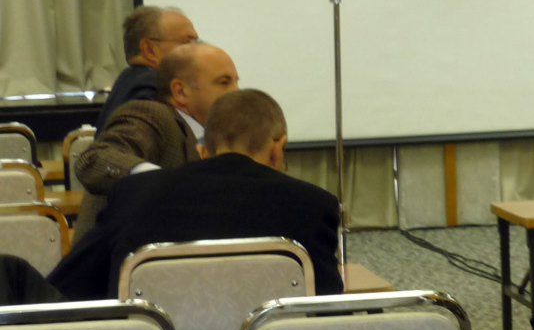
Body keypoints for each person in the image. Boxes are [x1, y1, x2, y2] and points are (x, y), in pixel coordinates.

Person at [49, 88, 342, 300]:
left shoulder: (134, 194)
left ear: (202, 152)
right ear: (278, 148)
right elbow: (327, 310)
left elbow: (68, 287)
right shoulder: (313, 205)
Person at [72, 42, 240, 240]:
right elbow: (95, 159)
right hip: (121, 256)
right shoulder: (154, 116)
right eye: (224, 82)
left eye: (236, 82)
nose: (236, 91)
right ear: (180, 92)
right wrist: (162, 181)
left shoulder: (217, 137)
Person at [95, 6, 200, 132]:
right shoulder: (152, 91)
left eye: (197, 42)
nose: (198, 51)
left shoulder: (129, 81)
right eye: (187, 43)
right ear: (150, 50)